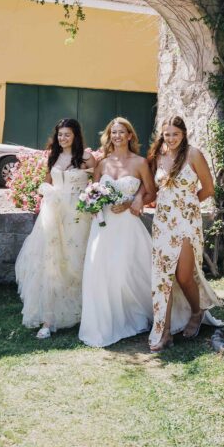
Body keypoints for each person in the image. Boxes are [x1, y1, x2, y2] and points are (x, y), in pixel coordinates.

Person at [78, 117, 158, 348]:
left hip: (127, 225)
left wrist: (135, 199)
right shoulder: (103, 164)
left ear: (130, 135)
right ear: (109, 136)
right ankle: (105, 323)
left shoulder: (140, 162)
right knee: (100, 271)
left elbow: (151, 192)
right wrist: (91, 204)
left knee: (126, 272)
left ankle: (136, 315)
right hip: (102, 226)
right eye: (114, 132)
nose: (117, 136)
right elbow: (92, 190)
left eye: (122, 132)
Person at [147, 116, 224, 352]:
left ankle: (197, 311)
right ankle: (164, 332)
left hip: (187, 224)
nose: (171, 139)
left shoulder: (193, 155)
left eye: (175, 134)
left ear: (183, 134)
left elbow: (209, 189)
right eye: (167, 134)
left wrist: (188, 204)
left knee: (183, 276)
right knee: (163, 279)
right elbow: (152, 189)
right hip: (162, 223)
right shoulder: (158, 157)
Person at [14, 119, 97, 338]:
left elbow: (96, 187)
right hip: (54, 214)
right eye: (60, 134)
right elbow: (47, 182)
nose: (63, 138)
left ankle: (82, 311)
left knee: (76, 260)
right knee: (51, 261)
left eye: (67, 134)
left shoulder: (87, 158)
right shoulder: (53, 156)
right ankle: (49, 319)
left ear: (76, 136)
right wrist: (48, 193)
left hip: (78, 215)